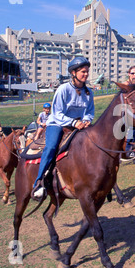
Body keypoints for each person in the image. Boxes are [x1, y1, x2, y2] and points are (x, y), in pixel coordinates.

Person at [32, 57, 95, 200]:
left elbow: (90, 111)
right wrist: (73, 123)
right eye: (83, 72)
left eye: (87, 72)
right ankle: (39, 181)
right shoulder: (63, 89)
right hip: (58, 124)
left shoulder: (88, 92)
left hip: (78, 124)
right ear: (73, 73)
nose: (86, 74)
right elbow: (57, 113)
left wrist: (86, 120)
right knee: (51, 147)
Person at [123, 66, 135, 158]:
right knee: (132, 129)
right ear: (129, 74)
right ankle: (128, 150)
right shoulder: (126, 85)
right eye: (133, 73)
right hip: (127, 110)